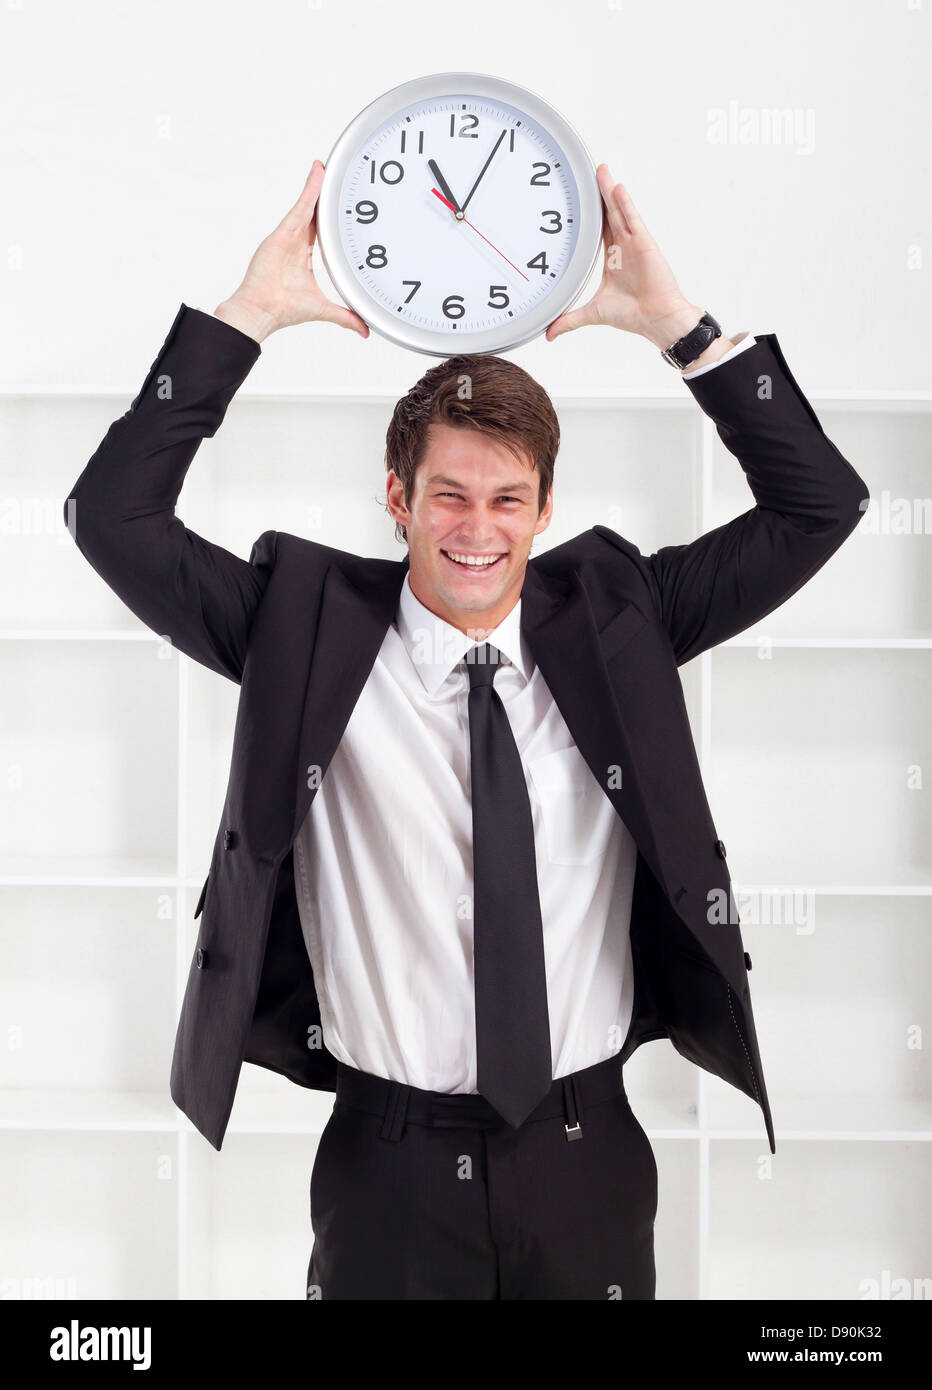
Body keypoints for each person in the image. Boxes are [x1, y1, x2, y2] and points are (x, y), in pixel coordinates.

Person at [65, 160, 869, 1300]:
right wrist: (245, 317)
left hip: (584, 1151)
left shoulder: (620, 618)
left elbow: (818, 506)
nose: (476, 529)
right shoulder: (298, 626)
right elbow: (112, 515)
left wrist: (679, 332)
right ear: (396, 499)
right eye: (446, 494)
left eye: (505, 499)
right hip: (384, 1165)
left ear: (544, 507)